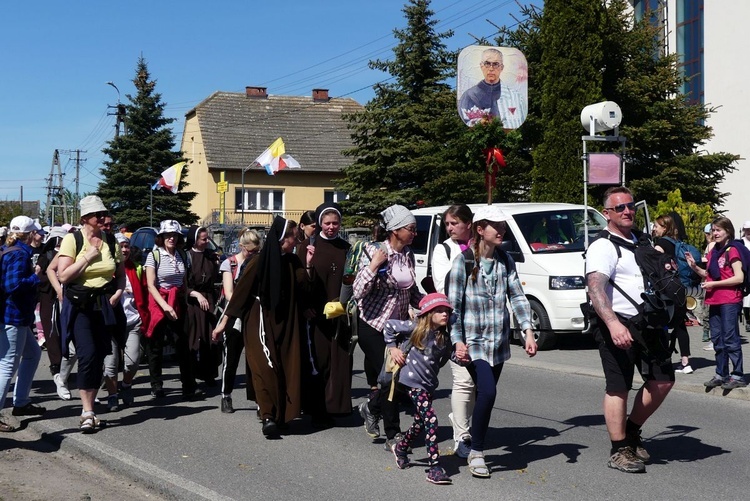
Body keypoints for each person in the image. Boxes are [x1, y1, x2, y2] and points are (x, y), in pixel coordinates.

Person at [586, 186, 675, 473]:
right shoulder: (603, 246)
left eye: (630, 206)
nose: (627, 211)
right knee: (618, 386)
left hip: (649, 321)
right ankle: (619, 449)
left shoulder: (642, 240)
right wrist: (612, 323)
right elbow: (596, 287)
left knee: (663, 381)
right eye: (620, 207)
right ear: (607, 214)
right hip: (618, 323)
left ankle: (632, 430)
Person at [446, 205, 537, 478]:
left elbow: (518, 296)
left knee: (484, 395)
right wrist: (457, 341)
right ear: (480, 229)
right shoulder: (463, 262)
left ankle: (467, 437)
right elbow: (454, 306)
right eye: (495, 226)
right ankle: (476, 452)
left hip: (497, 342)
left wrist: (528, 331)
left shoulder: (505, 260)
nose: (501, 231)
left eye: (503, 226)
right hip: (473, 342)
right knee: (488, 392)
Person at [212, 216, 313, 438]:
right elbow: (239, 296)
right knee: (264, 367)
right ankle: (267, 415)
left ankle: (283, 415)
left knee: (286, 366)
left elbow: (304, 289)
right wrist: (223, 323)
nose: (296, 242)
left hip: (286, 322)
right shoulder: (258, 262)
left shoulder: (293, 262)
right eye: (293, 238)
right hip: (258, 320)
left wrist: (306, 264)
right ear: (282, 238)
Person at [355, 204, 424, 451]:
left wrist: (428, 305)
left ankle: (370, 408)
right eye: (411, 229)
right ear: (395, 230)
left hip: (398, 327)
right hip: (372, 325)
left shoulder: (408, 254)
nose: (414, 234)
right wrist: (374, 266)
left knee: (393, 378)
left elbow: (411, 290)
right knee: (392, 376)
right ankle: (393, 434)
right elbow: (358, 291)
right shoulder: (373, 250)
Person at [58, 196, 125, 432]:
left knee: (99, 357)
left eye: (104, 214)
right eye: (99, 215)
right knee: (86, 355)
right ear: (86, 218)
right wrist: (88, 256)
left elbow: (120, 272)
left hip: (104, 306)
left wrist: (118, 292)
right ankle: (86, 411)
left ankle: (91, 410)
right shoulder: (72, 240)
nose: (103, 218)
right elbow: (63, 276)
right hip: (80, 307)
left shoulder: (110, 239)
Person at [386, 293, 454, 485]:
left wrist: (464, 356)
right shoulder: (415, 327)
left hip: (429, 384)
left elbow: (450, 357)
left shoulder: (443, 337)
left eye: (447, 311)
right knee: (431, 420)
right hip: (413, 383)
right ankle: (434, 467)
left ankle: (401, 448)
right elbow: (389, 325)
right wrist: (393, 348)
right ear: (429, 313)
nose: (444, 314)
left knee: (420, 423)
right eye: (439, 311)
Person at [295, 202, 352, 427]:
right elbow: (299, 279)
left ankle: (337, 405)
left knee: (340, 358)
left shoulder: (346, 247)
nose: (331, 227)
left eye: (335, 223)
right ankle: (314, 405)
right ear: (319, 223)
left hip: (340, 312)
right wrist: (305, 305)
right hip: (315, 312)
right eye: (327, 223)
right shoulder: (308, 247)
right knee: (319, 359)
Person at [429, 204, 474, 458]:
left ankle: (461, 420)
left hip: (479, 322)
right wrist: (466, 260)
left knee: (477, 383)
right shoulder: (443, 249)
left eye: (454, 223)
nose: (450, 228)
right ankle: (461, 437)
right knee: (463, 379)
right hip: (454, 321)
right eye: (447, 224)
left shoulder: (481, 247)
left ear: (468, 223)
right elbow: (442, 283)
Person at [686, 217, 747, 390]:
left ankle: (738, 375)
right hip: (714, 299)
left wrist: (714, 284)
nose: (715, 233)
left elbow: (738, 277)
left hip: (729, 299)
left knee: (730, 338)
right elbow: (709, 274)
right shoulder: (715, 251)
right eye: (713, 230)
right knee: (717, 339)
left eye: (718, 230)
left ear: (728, 231)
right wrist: (694, 267)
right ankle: (721, 374)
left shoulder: (733, 250)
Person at [0, 215, 46, 433]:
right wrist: (36, 276)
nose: (39, 235)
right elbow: (13, 286)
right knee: (7, 366)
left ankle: (21, 403)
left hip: (16, 317)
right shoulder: (19, 255)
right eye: (36, 232)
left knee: (33, 354)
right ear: (29, 235)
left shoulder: (10, 250)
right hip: (13, 317)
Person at [143, 220, 198, 400]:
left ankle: (188, 384)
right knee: (156, 346)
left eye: (174, 235)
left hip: (178, 302)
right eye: (167, 235)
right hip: (159, 303)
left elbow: (184, 280)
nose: (171, 238)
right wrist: (165, 306)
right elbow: (151, 286)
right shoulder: (154, 255)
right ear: (161, 237)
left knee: (183, 344)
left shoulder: (182, 254)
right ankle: (156, 385)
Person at [212, 228, 262, 413]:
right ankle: (226, 395)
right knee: (231, 358)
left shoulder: (258, 262)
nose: (253, 254)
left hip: (254, 314)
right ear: (241, 247)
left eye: (256, 251)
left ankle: (259, 399)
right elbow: (230, 293)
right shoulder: (230, 264)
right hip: (233, 314)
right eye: (250, 251)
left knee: (255, 359)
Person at [102, 233, 148, 410]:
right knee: (111, 364)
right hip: (110, 323)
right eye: (120, 246)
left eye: (127, 246)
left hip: (132, 321)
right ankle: (112, 395)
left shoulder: (136, 268)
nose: (124, 250)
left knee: (132, 361)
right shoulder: (105, 269)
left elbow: (144, 295)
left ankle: (126, 386)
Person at [651, 214, 693, 374]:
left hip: (666, 288)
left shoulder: (661, 244)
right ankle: (686, 362)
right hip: (679, 287)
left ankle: (663, 359)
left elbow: (654, 265)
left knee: (661, 323)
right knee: (680, 324)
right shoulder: (677, 242)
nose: (654, 228)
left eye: (656, 226)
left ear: (665, 228)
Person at [185, 225, 221, 388]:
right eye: (203, 239)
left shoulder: (210, 255)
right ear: (195, 239)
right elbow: (183, 284)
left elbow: (215, 277)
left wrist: (217, 264)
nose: (207, 241)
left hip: (209, 299)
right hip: (192, 300)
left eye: (207, 238)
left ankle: (209, 374)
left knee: (211, 337)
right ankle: (191, 374)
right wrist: (196, 295)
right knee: (194, 339)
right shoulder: (187, 256)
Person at [458, 48, 527, 128]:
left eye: (495, 64)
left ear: (502, 67)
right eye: (487, 64)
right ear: (481, 66)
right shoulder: (469, 96)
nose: (491, 69)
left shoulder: (516, 97)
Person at [741, 221, 750, 332]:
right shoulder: (741, 242)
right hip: (745, 272)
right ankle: (748, 320)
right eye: (747, 230)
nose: (749, 232)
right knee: (746, 299)